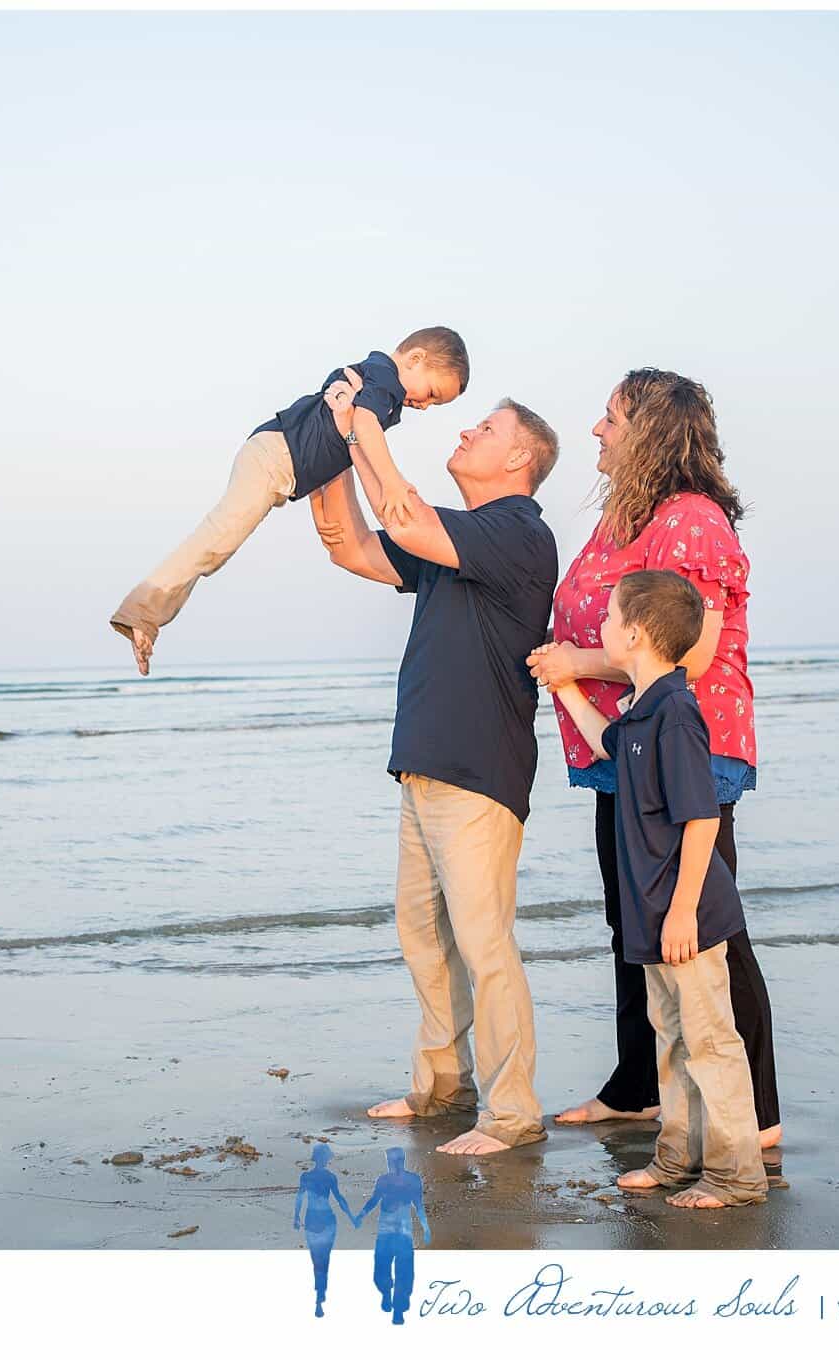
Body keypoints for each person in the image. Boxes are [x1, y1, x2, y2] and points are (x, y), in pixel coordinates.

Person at [529, 368, 781, 1152]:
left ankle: (758, 1114)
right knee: (630, 923)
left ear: (650, 432)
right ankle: (638, 1087)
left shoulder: (692, 522)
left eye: (610, 418)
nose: (597, 431)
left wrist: (574, 662)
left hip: (683, 747)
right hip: (622, 748)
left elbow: (691, 654)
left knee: (709, 931)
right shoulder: (622, 522)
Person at [310, 370, 559, 1156]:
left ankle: (512, 1114)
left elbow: (406, 519)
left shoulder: (519, 532)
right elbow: (353, 546)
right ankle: (442, 1088)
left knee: (485, 947)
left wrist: (364, 428)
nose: (463, 433)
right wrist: (327, 452)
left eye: (483, 429)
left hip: (479, 774)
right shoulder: (457, 541)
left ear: (521, 458)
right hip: (423, 767)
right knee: (424, 939)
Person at [550, 571, 768, 1209]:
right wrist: (564, 688)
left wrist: (680, 914)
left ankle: (736, 1174)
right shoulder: (642, 710)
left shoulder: (675, 713)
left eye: (611, 618)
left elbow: (702, 818)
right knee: (671, 1039)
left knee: (710, 1042)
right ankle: (677, 1159)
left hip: (685, 914)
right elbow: (606, 747)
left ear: (637, 634)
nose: (601, 628)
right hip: (654, 912)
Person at [108, 327, 470, 675]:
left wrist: (321, 507)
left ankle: (146, 616)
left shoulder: (374, 384)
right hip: (274, 456)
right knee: (217, 540)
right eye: (433, 393)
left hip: (281, 462)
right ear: (416, 358)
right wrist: (393, 483)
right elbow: (361, 427)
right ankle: (140, 614)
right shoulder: (383, 379)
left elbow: (330, 447)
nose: (426, 405)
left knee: (219, 545)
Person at [354, 1148, 430, 1324]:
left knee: (401, 1269)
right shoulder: (385, 1180)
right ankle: (387, 1294)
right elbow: (374, 1199)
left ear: (401, 1160)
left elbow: (418, 1204)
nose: (391, 1164)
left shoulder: (412, 1180)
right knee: (384, 1268)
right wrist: (361, 1215)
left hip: (401, 1229)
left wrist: (426, 1227)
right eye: (390, 1160)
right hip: (388, 1228)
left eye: (394, 1160)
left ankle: (399, 1307)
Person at [293, 1143, 355, 1317]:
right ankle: (321, 1293)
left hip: (312, 1219)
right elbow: (339, 1199)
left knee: (316, 1259)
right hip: (327, 1219)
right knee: (324, 1258)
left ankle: (319, 1294)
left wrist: (296, 1217)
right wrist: (351, 1216)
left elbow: (300, 1197)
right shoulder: (330, 1177)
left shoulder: (306, 1176)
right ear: (327, 1159)